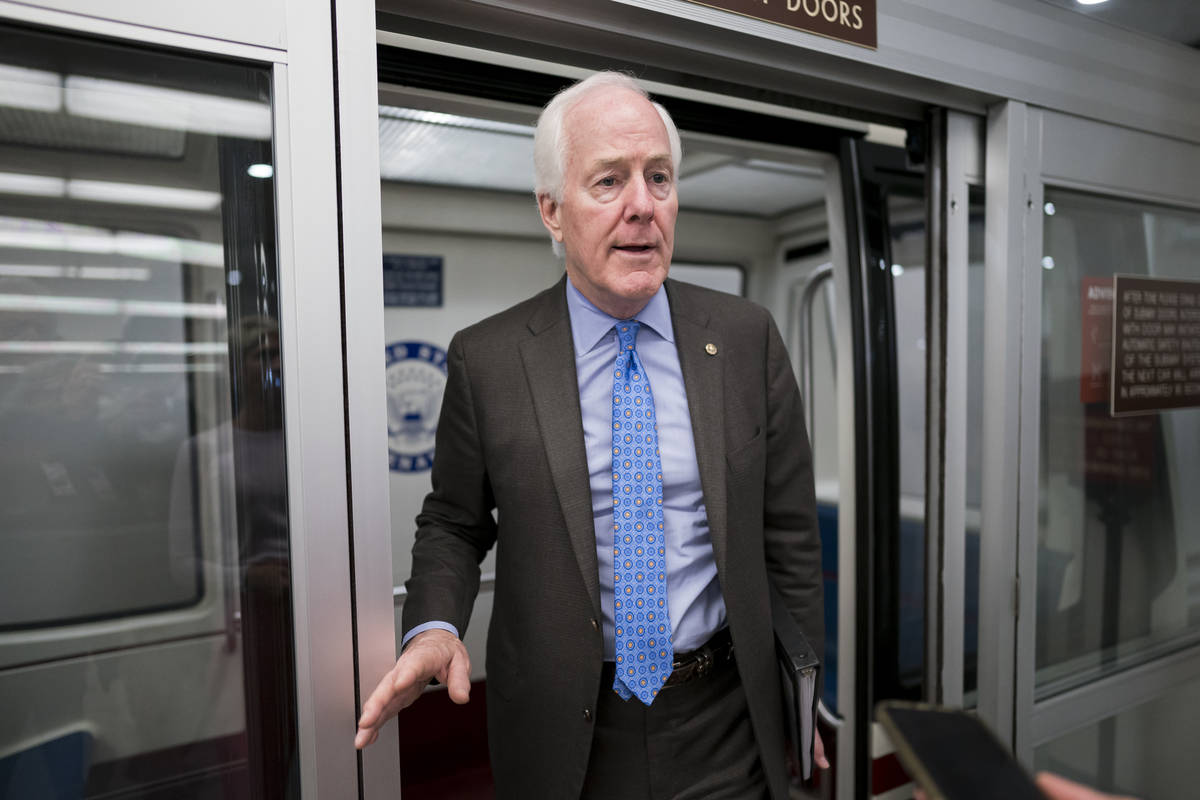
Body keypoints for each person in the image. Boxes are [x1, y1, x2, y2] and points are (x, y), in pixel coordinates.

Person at [356, 71, 825, 799]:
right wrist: (434, 627)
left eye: (659, 178)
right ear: (551, 209)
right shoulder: (490, 359)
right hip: (567, 727)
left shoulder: (743, 339)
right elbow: (453, 521)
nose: (643, 206)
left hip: (726, 718)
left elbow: (788, 533)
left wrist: (803, 686)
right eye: (609, 181)